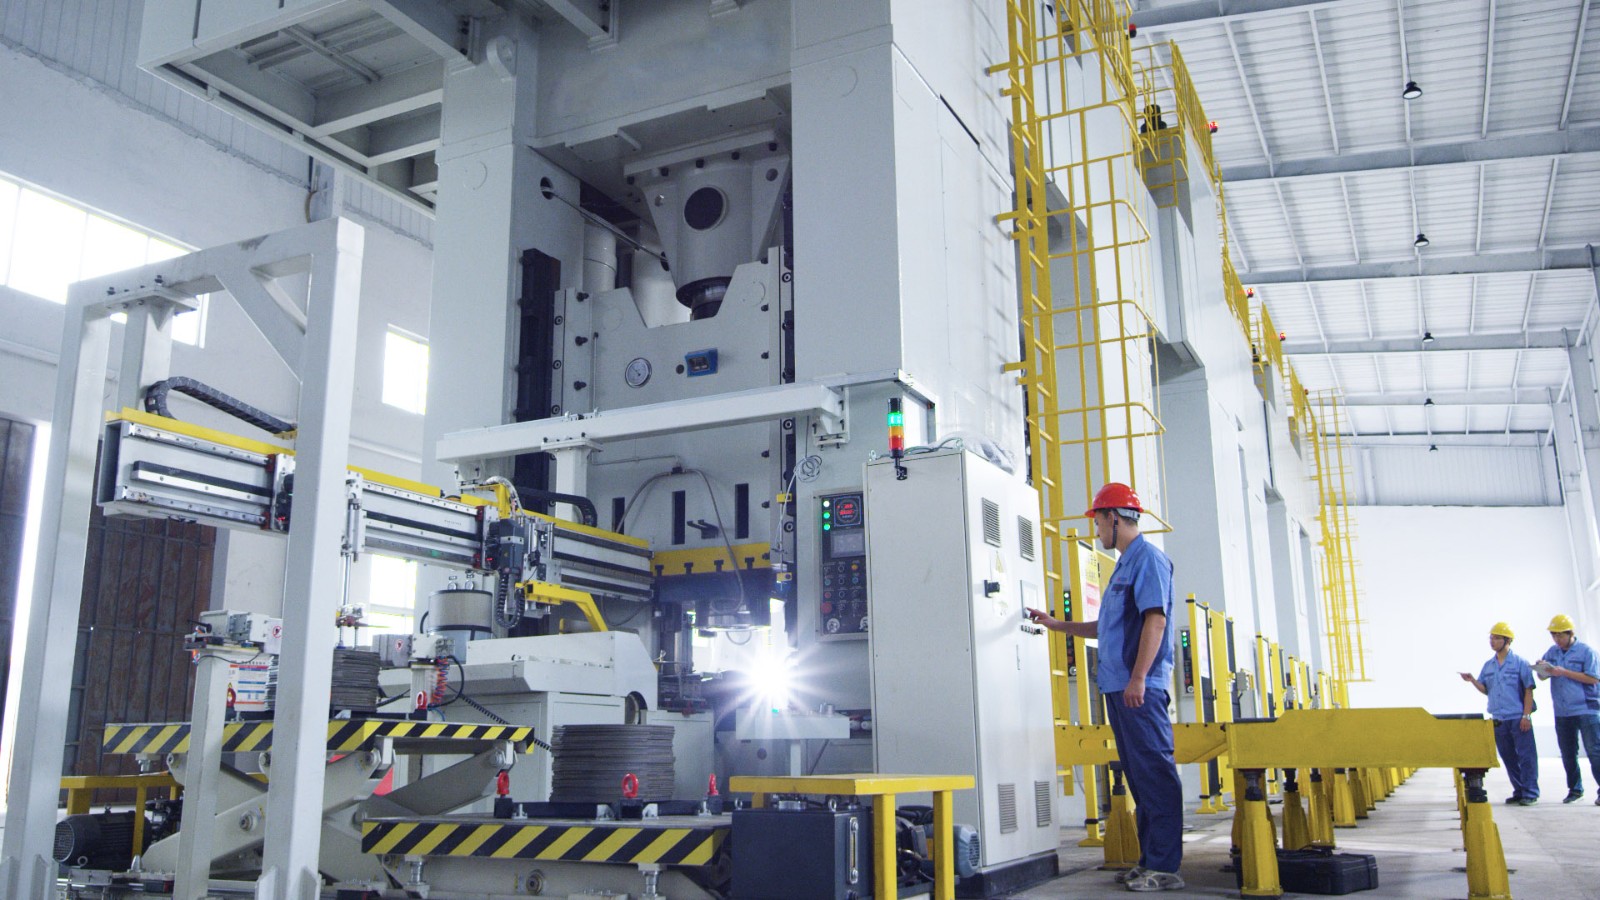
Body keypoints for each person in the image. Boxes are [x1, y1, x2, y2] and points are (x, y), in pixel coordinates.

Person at [1025, 483, 1183, 893]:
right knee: (1139, 777)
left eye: (1097, 522)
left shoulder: (1148, 559)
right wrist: (1057, 624)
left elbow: (1156, 620)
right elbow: (1106, 627)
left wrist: (1138, 678)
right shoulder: (1123, 565)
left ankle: (1165, 867)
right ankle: (1149, 860)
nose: (1096, 531)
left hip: (1139, 687)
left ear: (1114, 518)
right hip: (1119, 687)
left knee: (1155, 773)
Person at [1459, 622, 1539, 805]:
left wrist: (1526, 716)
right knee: (1509, 757)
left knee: (1526, 757)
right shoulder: (1489, 666)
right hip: (1498, 720)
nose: (1492, 641)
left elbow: (1528, 691)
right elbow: (1486, 689)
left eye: (1496, 638)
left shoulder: (1520, 663)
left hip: (1517, 717)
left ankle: (1530, 792)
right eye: (1491, 638)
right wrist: (1472, 680)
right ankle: (1519, 790)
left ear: (1507, 640)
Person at [1534, 614, 1600, 805]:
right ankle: (1575, 789)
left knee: (1594, 751)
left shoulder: (1586, 652)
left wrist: (1564, 672)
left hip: (1586, 710)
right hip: (1562, 712)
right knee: (1568, 753)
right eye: (1554, 635)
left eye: (1560, 635)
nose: (1557, 639)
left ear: (1570, 634)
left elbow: (1594, 678)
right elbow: (1543, 677)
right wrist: (1541, 669)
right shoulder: (1552, 652)